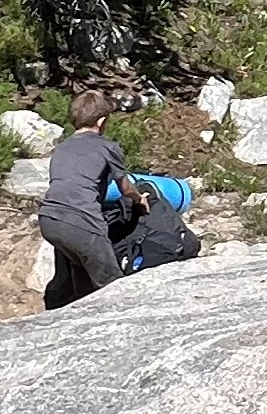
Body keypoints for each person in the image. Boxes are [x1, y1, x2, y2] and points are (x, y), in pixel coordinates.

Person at [31, 91, 200, 308]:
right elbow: (125, 186)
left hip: (49, 220)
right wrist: (140, 199)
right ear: (102, 121)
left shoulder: (62, 148)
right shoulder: (107, 147)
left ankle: (77, 312)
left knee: (82, 271)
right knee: (112, 284)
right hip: (83, 223)